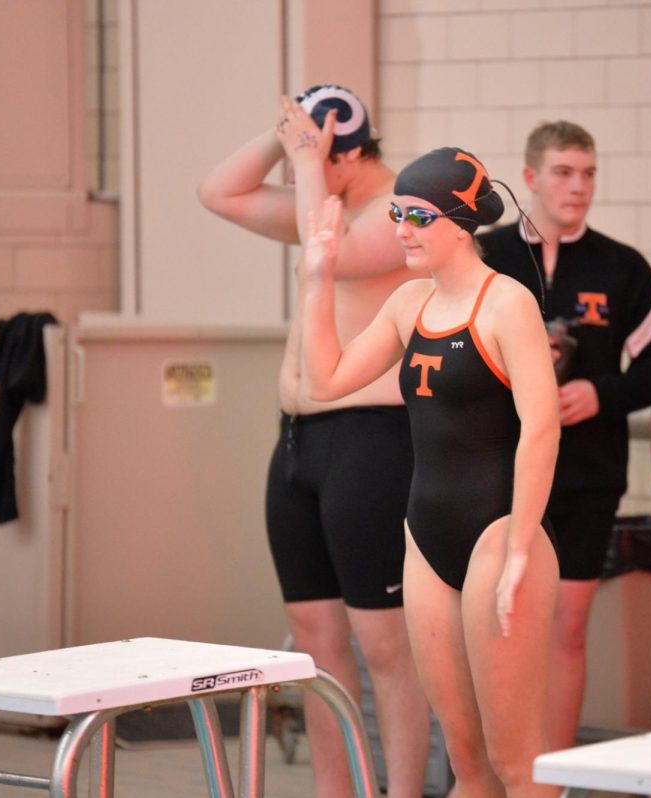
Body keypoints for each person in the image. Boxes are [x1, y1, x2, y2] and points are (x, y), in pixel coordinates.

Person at [303, 146, 562, 798]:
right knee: (468, 762)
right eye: (396, 214)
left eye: (416, 216)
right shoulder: (408, 303)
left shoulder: (508, 305)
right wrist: (319, 276)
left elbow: (542, 427)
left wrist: (521, 546)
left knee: (514, 760)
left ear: (458, 221)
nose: (401, 230)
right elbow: (325, 380)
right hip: (426, 538)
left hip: (497, 535)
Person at [196, 85, 429, 798]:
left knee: (385, 644)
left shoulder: (399, 208)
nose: (298, 167)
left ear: (351, 155)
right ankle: (338, 790)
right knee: (314, 635)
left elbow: (339, 259)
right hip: (297, 442)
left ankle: (404, 791)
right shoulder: (319, 198)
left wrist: (306, 167)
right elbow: (217, 192)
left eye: (314, 154)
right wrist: (286, 137)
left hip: (372, 440)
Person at [478, 120, 651, 750]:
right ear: (532, 178)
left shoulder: (623, 268)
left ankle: (552, 776)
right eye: (564, 172)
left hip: (587, 475)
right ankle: (498, 770)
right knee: (499, 625)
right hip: (496, 474)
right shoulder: (487, 255)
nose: (579, 186)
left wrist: (600, 393)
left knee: (567, 626)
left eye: (589, 173)